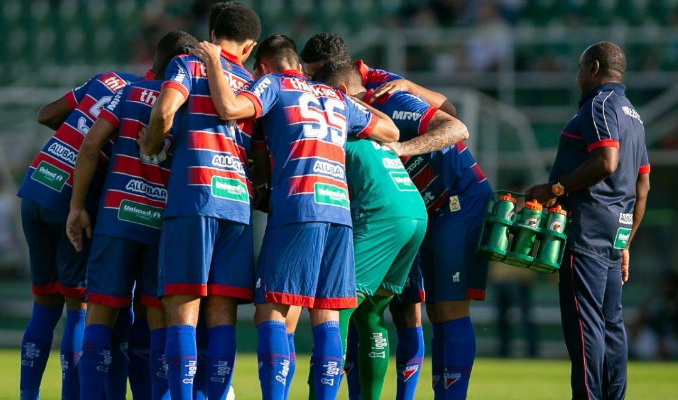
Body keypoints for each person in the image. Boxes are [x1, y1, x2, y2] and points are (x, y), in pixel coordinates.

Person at [190, 34, 399, 400]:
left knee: (272, 308)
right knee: (327, 313)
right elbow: (391, 131)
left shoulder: (273, 83)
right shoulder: (334, 96)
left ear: (265, 66)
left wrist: (211, 62)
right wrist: (350, 99)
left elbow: (230, 108)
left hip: (299, 204)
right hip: (338, 209)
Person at [300, 32, 459, 399]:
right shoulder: (375, 125)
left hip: (384, 214)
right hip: (414, 210)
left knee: (332, 308)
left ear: (338, 89)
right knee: (371, 314)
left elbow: (454, 124)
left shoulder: (341, 125)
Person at [66, 31, 198, 400]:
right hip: (163, 226)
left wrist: (77, 207)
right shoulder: (188, 101)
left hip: (116, 219)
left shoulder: (127, 93)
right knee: (159, 321)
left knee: (101, 316)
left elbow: (91, 144)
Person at [140, 4, 261, 400]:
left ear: (211, 31)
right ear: (248, 46)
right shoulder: (252, 82)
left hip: (195, 197)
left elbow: (164, 109)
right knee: (223, 316)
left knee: (183, 310)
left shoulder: (190, 66)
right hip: (237, 204)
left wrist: (153, 145)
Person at [526, 41, 651, 400]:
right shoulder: (633, 114)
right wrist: (625, 242)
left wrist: (556, 188)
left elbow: (606, 161)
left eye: (580, 66)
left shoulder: (599, 105)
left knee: (585, 325)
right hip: (613, 236)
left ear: (594, 68)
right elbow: (642, 184)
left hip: (587, 231)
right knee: (612, 325)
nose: (577, 74)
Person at [17, 64, 138, 400]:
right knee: (78, 307)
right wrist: (96, 150)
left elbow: (46, 115)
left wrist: (77, 138)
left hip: (37, 184)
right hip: (71, 197)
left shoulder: (109, 78)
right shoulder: (145, 97)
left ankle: (28, 396)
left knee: (43, 303)